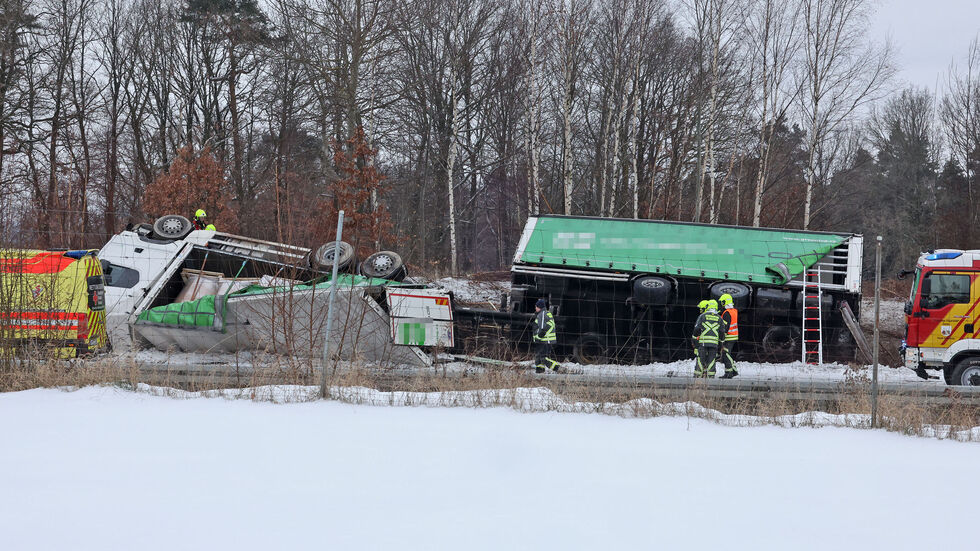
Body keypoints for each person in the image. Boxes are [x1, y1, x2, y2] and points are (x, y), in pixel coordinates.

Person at [692, 299, 727, 378]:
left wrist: (694, 338)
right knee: (712, 359)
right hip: (714, 343)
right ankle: (711, 376)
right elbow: (722, 331)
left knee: (701, 359)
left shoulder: (702, 316)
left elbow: (697, 328)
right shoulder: (719, 318)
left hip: (703, 342)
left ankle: (697, 375)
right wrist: (721, 342)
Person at [532, 298, 559, 374]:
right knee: (538, 357)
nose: (535, 308)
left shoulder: (542, 314)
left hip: (544, 340)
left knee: (543, 358)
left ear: (539, 307)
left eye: (536, 306)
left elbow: (543, 328)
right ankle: (539, 371)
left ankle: (557, 368)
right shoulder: (544, 313)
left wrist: (539, 337)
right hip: (545, 340)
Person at [718, 293, 739, 379]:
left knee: (726, 354)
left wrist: (722, 338)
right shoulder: (734, 311)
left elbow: (725, 327)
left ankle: (731, 372)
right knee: (727, 354)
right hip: (733, 336)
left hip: (729, 337)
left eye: (722, 302)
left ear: (724, 302)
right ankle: (730, 372)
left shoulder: (726, 313)